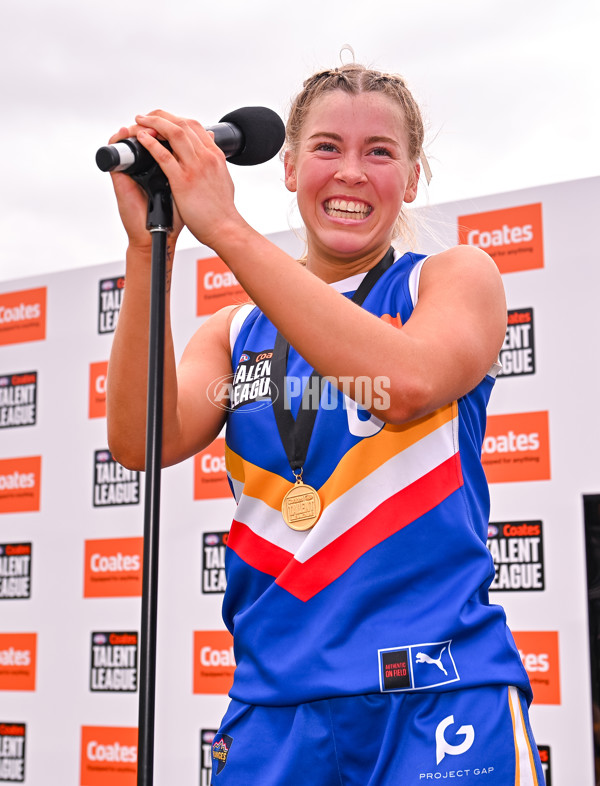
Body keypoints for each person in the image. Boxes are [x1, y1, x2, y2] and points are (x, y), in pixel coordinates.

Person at [106, 63, 545, 785]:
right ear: (286, 167)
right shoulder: (234, 329)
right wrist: (148, 249)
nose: (351, 172)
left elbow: (407, 384)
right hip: (274, 707)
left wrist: (225, 228)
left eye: (379, 151)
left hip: (437, 697)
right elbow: (139, 442)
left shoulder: (449, 277)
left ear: (410, 177)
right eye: (326, 148)